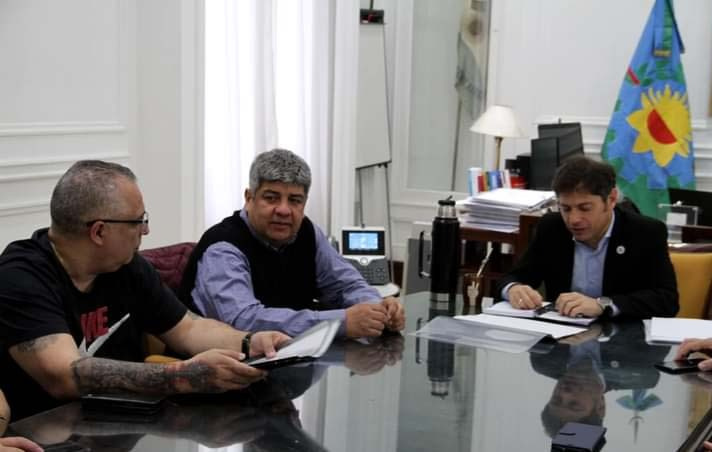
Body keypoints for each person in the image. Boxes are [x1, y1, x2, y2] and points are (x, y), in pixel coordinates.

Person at [0, 161, 291, 421]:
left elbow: (188, 329)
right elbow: (64, 375)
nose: (146, 231)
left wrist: (249, 342)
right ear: (99, 231)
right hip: (47, 434)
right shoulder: (20, 277)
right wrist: (183, 376)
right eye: (138, 221)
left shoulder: (125, 267)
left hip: (123, 423)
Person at [179, 148, 405, 338]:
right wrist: (340, 323)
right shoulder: (223, 248)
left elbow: (345, 285)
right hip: (224, 367)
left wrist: (377, 309)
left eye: (295, 200)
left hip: (291, 358)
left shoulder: (307, 232)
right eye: (271, 198)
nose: (284, 210)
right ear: (249, 198)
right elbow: (244, 320)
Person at [498, 156, 678, 319]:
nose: (573, 219)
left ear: (611, 199)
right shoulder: (552, 228)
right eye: (565, 209)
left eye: (585, 208)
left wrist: (603, 305)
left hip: (620, 338)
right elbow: (513, 277)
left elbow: (667, 301)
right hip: (560, 335)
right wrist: (513, 288)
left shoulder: (646, 232)